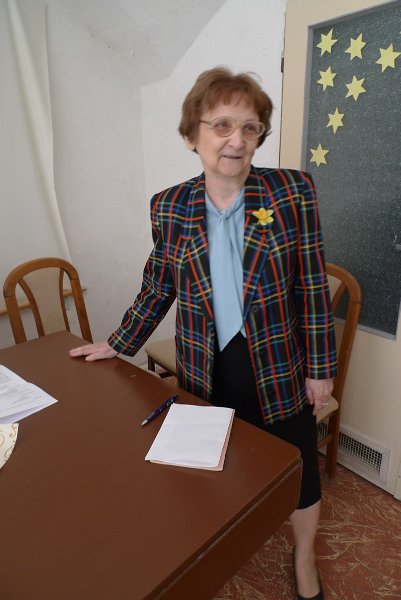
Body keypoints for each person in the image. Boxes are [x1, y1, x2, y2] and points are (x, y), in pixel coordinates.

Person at [70, 67, 336, 600]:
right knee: (211, 466)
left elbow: (310, 283)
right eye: (221, 125)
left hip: (278, 365)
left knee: (299, 471)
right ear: (192, 135)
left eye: (250, 127)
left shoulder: (292, 192)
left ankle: (304, 555)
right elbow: (158, 286)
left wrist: (321, 370)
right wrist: (119, 343)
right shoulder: (170, 206)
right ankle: (224, 542)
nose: (236, 139)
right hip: (204, 367)